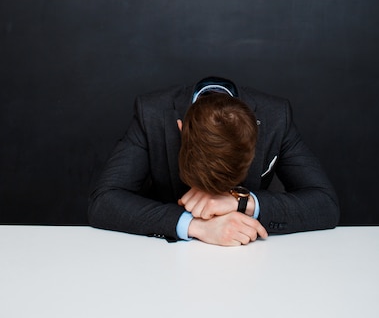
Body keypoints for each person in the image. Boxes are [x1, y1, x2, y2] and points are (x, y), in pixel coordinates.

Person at [88, 76, 339, 246]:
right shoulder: (152, 112)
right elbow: (104, 202)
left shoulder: (275, 117)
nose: (210, 199)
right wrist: (195, 226)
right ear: (180, 129)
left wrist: (241, 202)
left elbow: (325, 204)